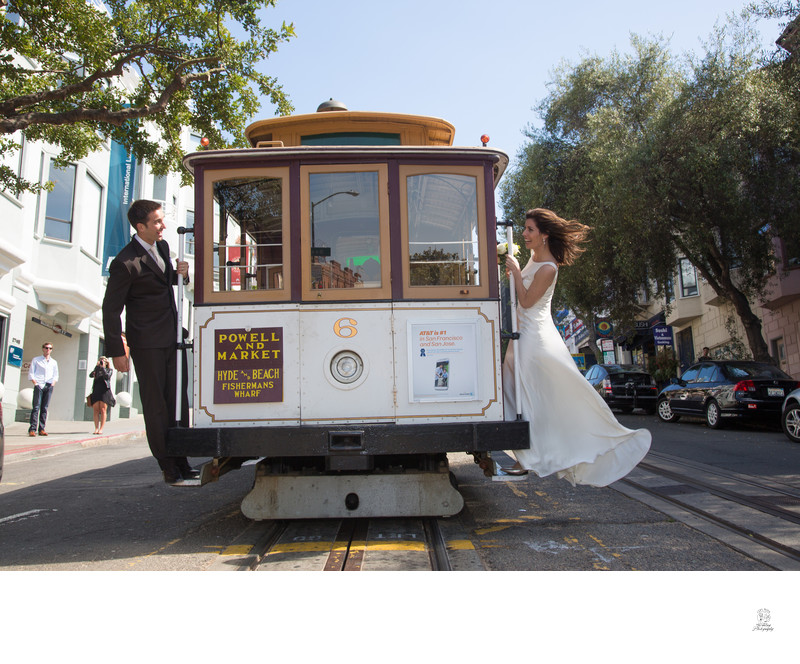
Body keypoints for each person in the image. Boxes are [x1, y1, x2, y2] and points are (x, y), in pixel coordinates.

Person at [501, 208, 651, 485]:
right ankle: (525, 455)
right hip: (520, 337)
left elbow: (525, 301)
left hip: (534, 340)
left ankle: (529, 458)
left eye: (530, 230)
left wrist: (516, 271)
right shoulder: (535, 259)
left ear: (544, 235)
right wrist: (517, 269)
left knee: (530, 397)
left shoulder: (548, 268)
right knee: (512, 393)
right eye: (525, 229)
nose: (524, 233)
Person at [102, 199, 196, 486]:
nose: (163, 226)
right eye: (157, 221)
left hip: (172, 338)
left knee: (178, 402)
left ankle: (182, 459)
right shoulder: (124, 263)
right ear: (140, 226)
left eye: (162, 220)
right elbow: (110, 310)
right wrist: (117, 352)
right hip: (147, 345)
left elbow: (167, 282)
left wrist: (183, 273)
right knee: (157, 407)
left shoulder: (163, 247)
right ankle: (168, 466)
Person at [28, 342, 58, 437]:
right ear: (43, 349)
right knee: (36, 407)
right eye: (46, 348)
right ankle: (32, 429)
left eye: (50, 348)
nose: (48, 350)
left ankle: (42, 429)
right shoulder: (36, 360)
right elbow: (31, 373)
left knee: (44, 408)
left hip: (48, 385)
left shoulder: (54, 362)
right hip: (39, 385)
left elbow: (56, 375)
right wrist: (35, 383)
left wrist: (52, 384)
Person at [88, 356, 116, 435]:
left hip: (104, 391)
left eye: (103, 361)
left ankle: (101, 428)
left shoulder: (109, 370)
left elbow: (107, 376)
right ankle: (96, 428)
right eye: (100, 360)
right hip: (96, 390)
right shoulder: (97, 370)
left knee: (103, 410)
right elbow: (91, 375)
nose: (101, 362)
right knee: (96, 410)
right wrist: (97, 367)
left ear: (106, 363)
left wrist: (103, 368)